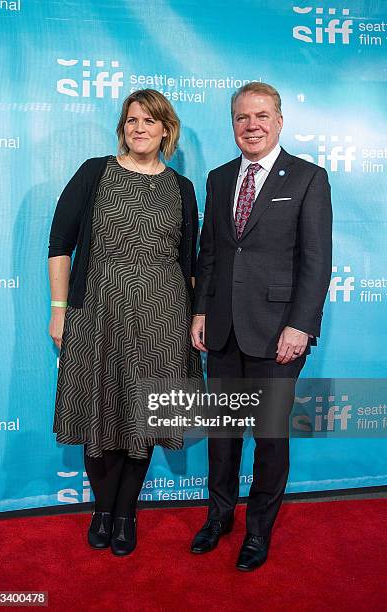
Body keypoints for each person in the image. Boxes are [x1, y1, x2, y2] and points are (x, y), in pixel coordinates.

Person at [48, 89, 201, 556]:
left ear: (165, 130)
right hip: (97, 314)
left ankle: (125, 512)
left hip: (162, 318)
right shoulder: (95, 173)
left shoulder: (182, 188)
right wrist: (59, 309)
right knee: (98, 414)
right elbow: (60, 243)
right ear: (123, 126)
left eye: (149, 121)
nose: (139, 128)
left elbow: (188, 259)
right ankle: (102, 510)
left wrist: (193, 319)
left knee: (143, 417)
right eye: (132, 120)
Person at [190, 82, 332, 571]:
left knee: (270, 438)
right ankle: (219, 517)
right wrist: (201, 311)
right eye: (242, 118)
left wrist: (301, 325)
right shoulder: (219, 176)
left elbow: (317, 261)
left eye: (262, 116)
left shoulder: (310, 178)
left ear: (279, 121)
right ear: (232, 124)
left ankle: (258, 531)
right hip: (224, 328)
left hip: (278, 333)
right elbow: (210, 253)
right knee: (223, 437)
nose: (252, 126)